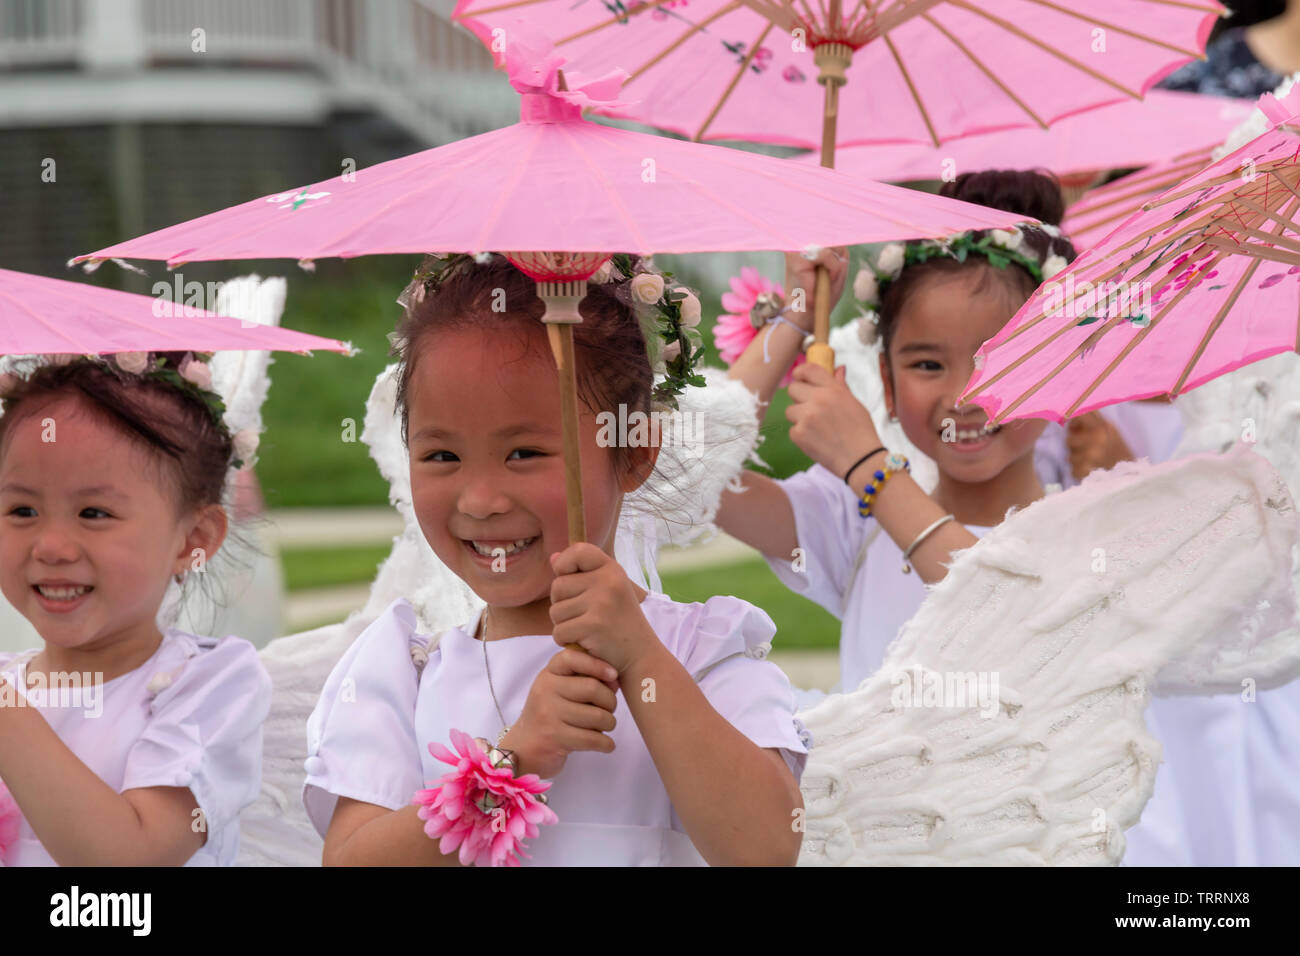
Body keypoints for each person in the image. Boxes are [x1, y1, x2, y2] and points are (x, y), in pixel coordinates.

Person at [303, 254, 808, 866]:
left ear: (634, 449)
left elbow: (766, 848)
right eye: (441, 456)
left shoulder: (700, 652)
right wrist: (511, 760)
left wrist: (641, 657)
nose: (481, 500)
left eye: (523, 452)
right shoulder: (405, 675)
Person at [717, 170, 1074, 696]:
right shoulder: (854, 524)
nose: (962, 398)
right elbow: (684, 476)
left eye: (999, 360)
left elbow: (1004, 609)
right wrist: (793, 317)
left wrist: (868, 465)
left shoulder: (1092, 535)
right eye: (928, 365)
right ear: (885, 380)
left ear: (1060, 370)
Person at [0, 353, 270, 865]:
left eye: (94, 513)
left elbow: (132, 857)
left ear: (193, 538)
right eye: (22, 510)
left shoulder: (209, 686)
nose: (52, 546)